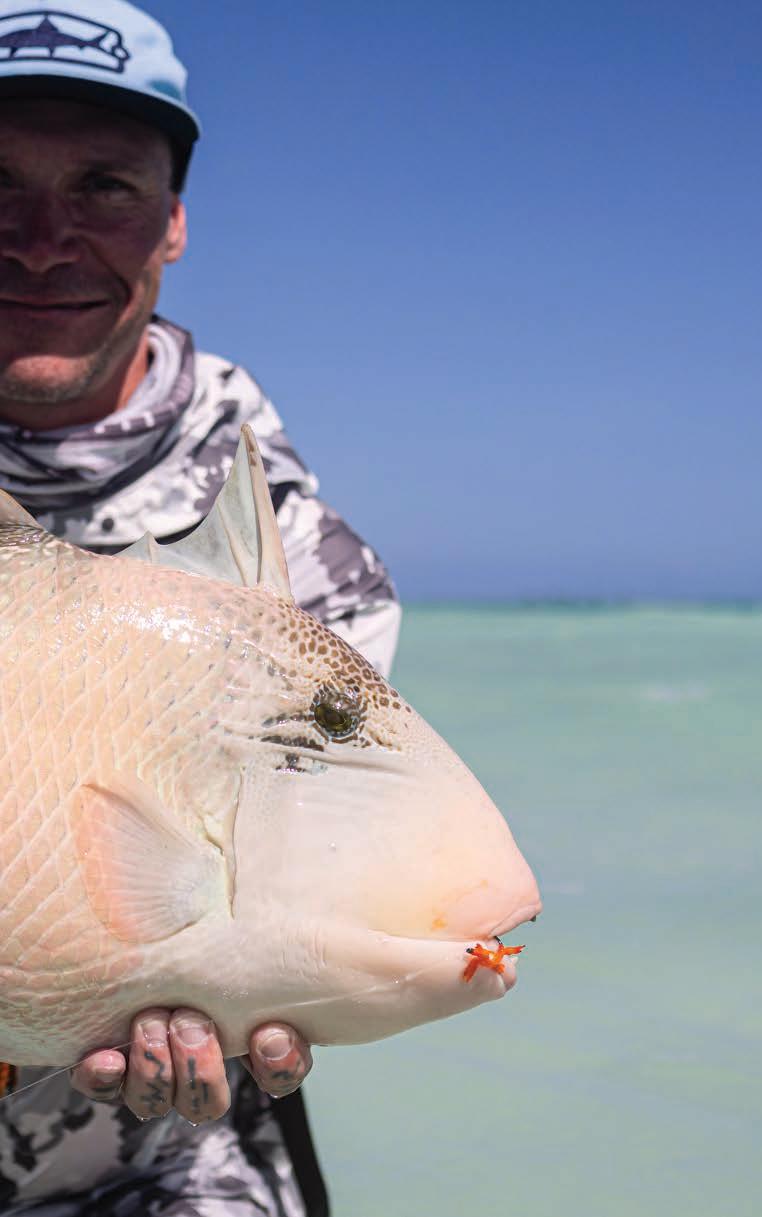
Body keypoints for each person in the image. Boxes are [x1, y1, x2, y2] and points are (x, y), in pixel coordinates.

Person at [0, 1, 400, 1213]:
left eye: (103, 186)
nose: (41, 242)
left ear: (172, 220)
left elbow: (299, 896)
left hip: (157, 1152)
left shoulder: (301, 570)